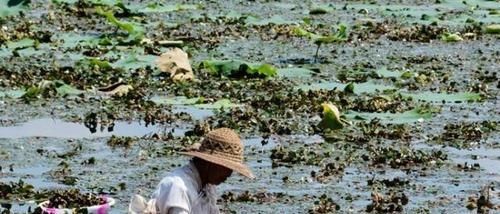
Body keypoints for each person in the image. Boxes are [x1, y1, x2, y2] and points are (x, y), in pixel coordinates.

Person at [129, 128, 254, 214]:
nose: (229, 174)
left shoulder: (207, 187)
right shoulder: (179, 187)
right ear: (210, 163)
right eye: (226, 168)